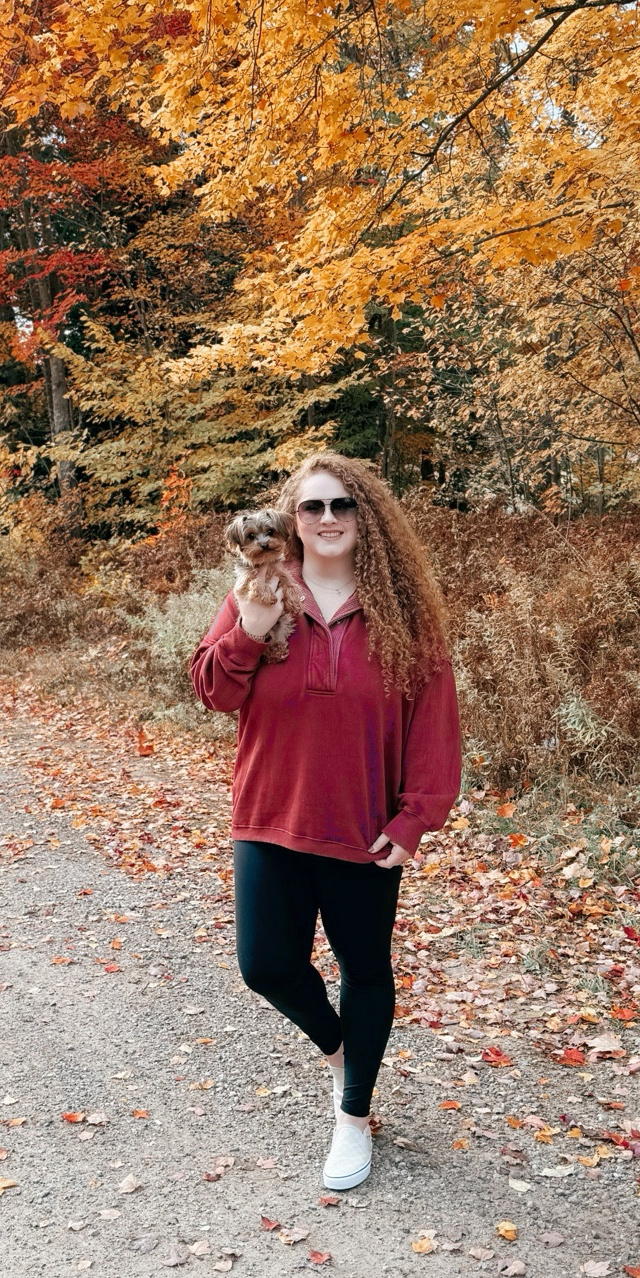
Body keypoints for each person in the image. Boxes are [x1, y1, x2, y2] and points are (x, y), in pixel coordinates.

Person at [190, 451, 462, 1191]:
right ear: (292, 519)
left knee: (364, 970)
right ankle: (344, 1055)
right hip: (268, 815)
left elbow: (435, 724)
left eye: (344, 504)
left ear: (365, 517)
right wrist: (249, 630)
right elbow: (213, 692)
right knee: (265, 965)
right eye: (313, 506)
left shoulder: (404, 615)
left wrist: (415, 819)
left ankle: (354, 1116)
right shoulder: (258, 593)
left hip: (362, 827)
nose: (329, 518)